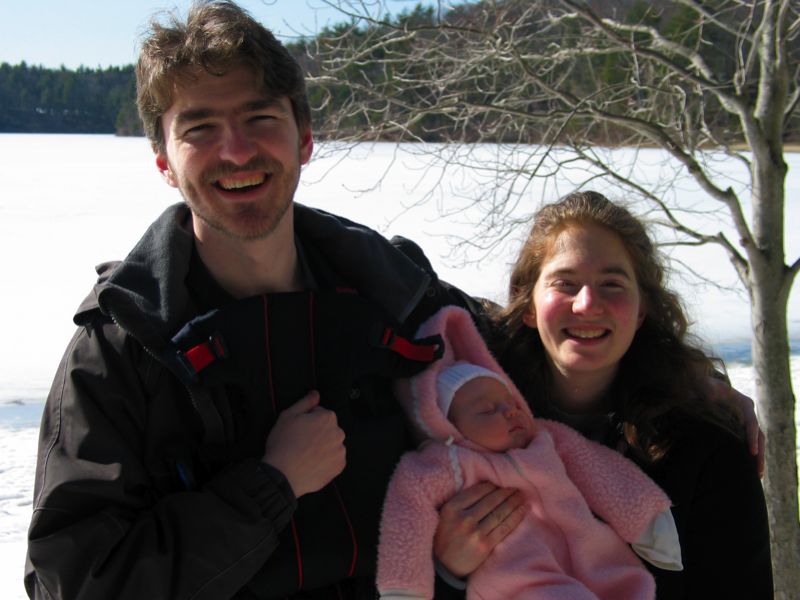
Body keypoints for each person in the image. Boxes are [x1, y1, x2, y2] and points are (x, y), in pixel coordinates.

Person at [24, 2, 481, 598]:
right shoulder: (122, 353)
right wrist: (270, 487)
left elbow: (550, 412)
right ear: (164, 161)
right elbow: (76, 582)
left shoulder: (399, 299)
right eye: (200, 128)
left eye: (260, 117)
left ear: (306, 138)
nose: (237, 151)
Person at [432, 191, 774, 599]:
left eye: (612, 283)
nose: (588, 304)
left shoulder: (706, 449)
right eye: (565, 283)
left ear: (642, 309)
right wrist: (446, 570)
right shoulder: (466, 418)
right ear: (528, 305)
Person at [377, 306, 682, 600]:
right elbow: (407, 516)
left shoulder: (546, 438)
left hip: (594, 557)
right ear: (448, 425)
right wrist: (405, 587)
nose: (509, 412)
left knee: (631, 582)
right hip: (520, 581)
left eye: (509, 402)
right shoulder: (443, 465)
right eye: (487, 410)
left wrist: (646, 518)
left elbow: (598, 470)